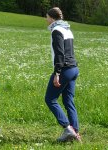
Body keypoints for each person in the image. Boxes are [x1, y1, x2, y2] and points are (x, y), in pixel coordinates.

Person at [45, 7, 81, 142]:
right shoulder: (67, 29)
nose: (46, 19)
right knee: (68, 101)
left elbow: (60, 54)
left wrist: (57, 73)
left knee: (50, 99)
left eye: (47, 17)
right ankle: (75, 133)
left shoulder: (56, 30)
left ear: (52, 18)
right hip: (74, 69)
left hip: (64, 70)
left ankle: (68, 129)